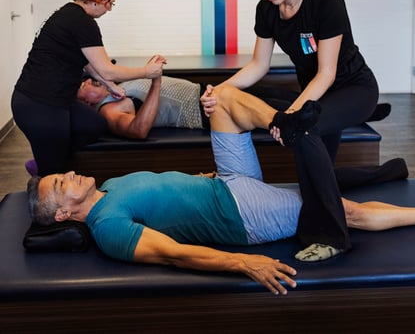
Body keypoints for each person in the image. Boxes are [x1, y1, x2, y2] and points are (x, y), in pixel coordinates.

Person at [27, 85, 411, 295]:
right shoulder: (108, 227)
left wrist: (202, 178)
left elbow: (165, 190)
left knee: (222, 98)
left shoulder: (109, 187)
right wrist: (244, 263)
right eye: (61, 182)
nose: (71, 173)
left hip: (225, 181)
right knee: (341, 209)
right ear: (63, 213)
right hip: (239, 214)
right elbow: (174, 255)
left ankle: (286, 123)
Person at [201, 0, 390, 260]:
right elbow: (258, 65)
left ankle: (332, 238)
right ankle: (390, 171)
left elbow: (327, 73)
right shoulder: (268, 9)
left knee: (304, 128)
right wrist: (220, 90)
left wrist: (292, 115)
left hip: (352, 89)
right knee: (320, 169)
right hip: (314, 95)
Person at [11, 0, 167, 177]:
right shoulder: (82, 22)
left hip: (53, 100)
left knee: (94, 124)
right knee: (53, 174)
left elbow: (89, 64)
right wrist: (147, 71)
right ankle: (45, 168)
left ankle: (48, 155)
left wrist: (110, 86)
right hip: (40, 104)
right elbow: (107, 69)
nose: (109, 9)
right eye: (110, 3)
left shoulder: (70, 14)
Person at [77, 75, 209, 139]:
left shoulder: (114, 90)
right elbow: (138, 131)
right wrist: (156, 82)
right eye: (83, 86)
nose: (87, 81)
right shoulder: (108, 110)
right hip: (200, 109)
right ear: (87, 103)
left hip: (204, 93)